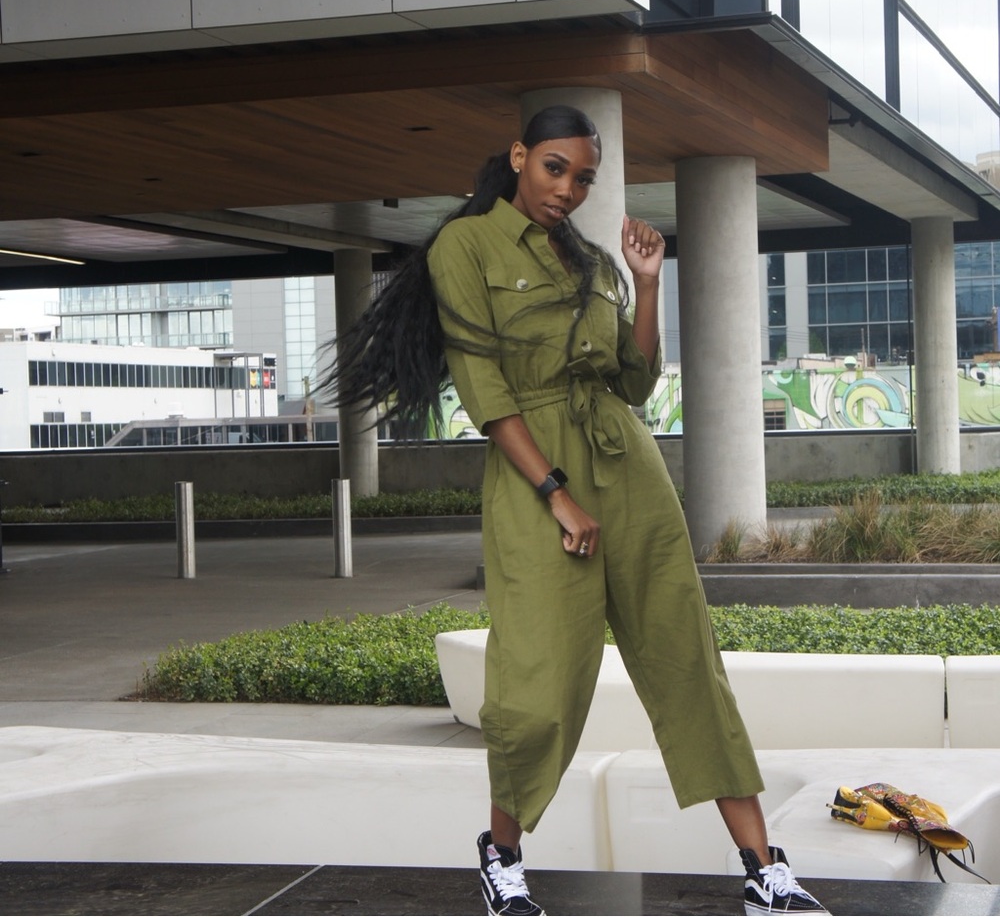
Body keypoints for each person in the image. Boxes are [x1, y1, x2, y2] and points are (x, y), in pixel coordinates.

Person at [325, 105, 828, 917]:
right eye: (555, 168)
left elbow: (635, 382)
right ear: (519, 156)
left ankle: (764, 869)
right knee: (536, 688)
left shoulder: (589, 258)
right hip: (536, 479)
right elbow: (485, 392)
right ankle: (501, 856)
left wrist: (649, 283)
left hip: (629, 467)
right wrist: (556, 494)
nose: (569, 188)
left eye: (584, 177)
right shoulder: (466, 246)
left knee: (688, 663)